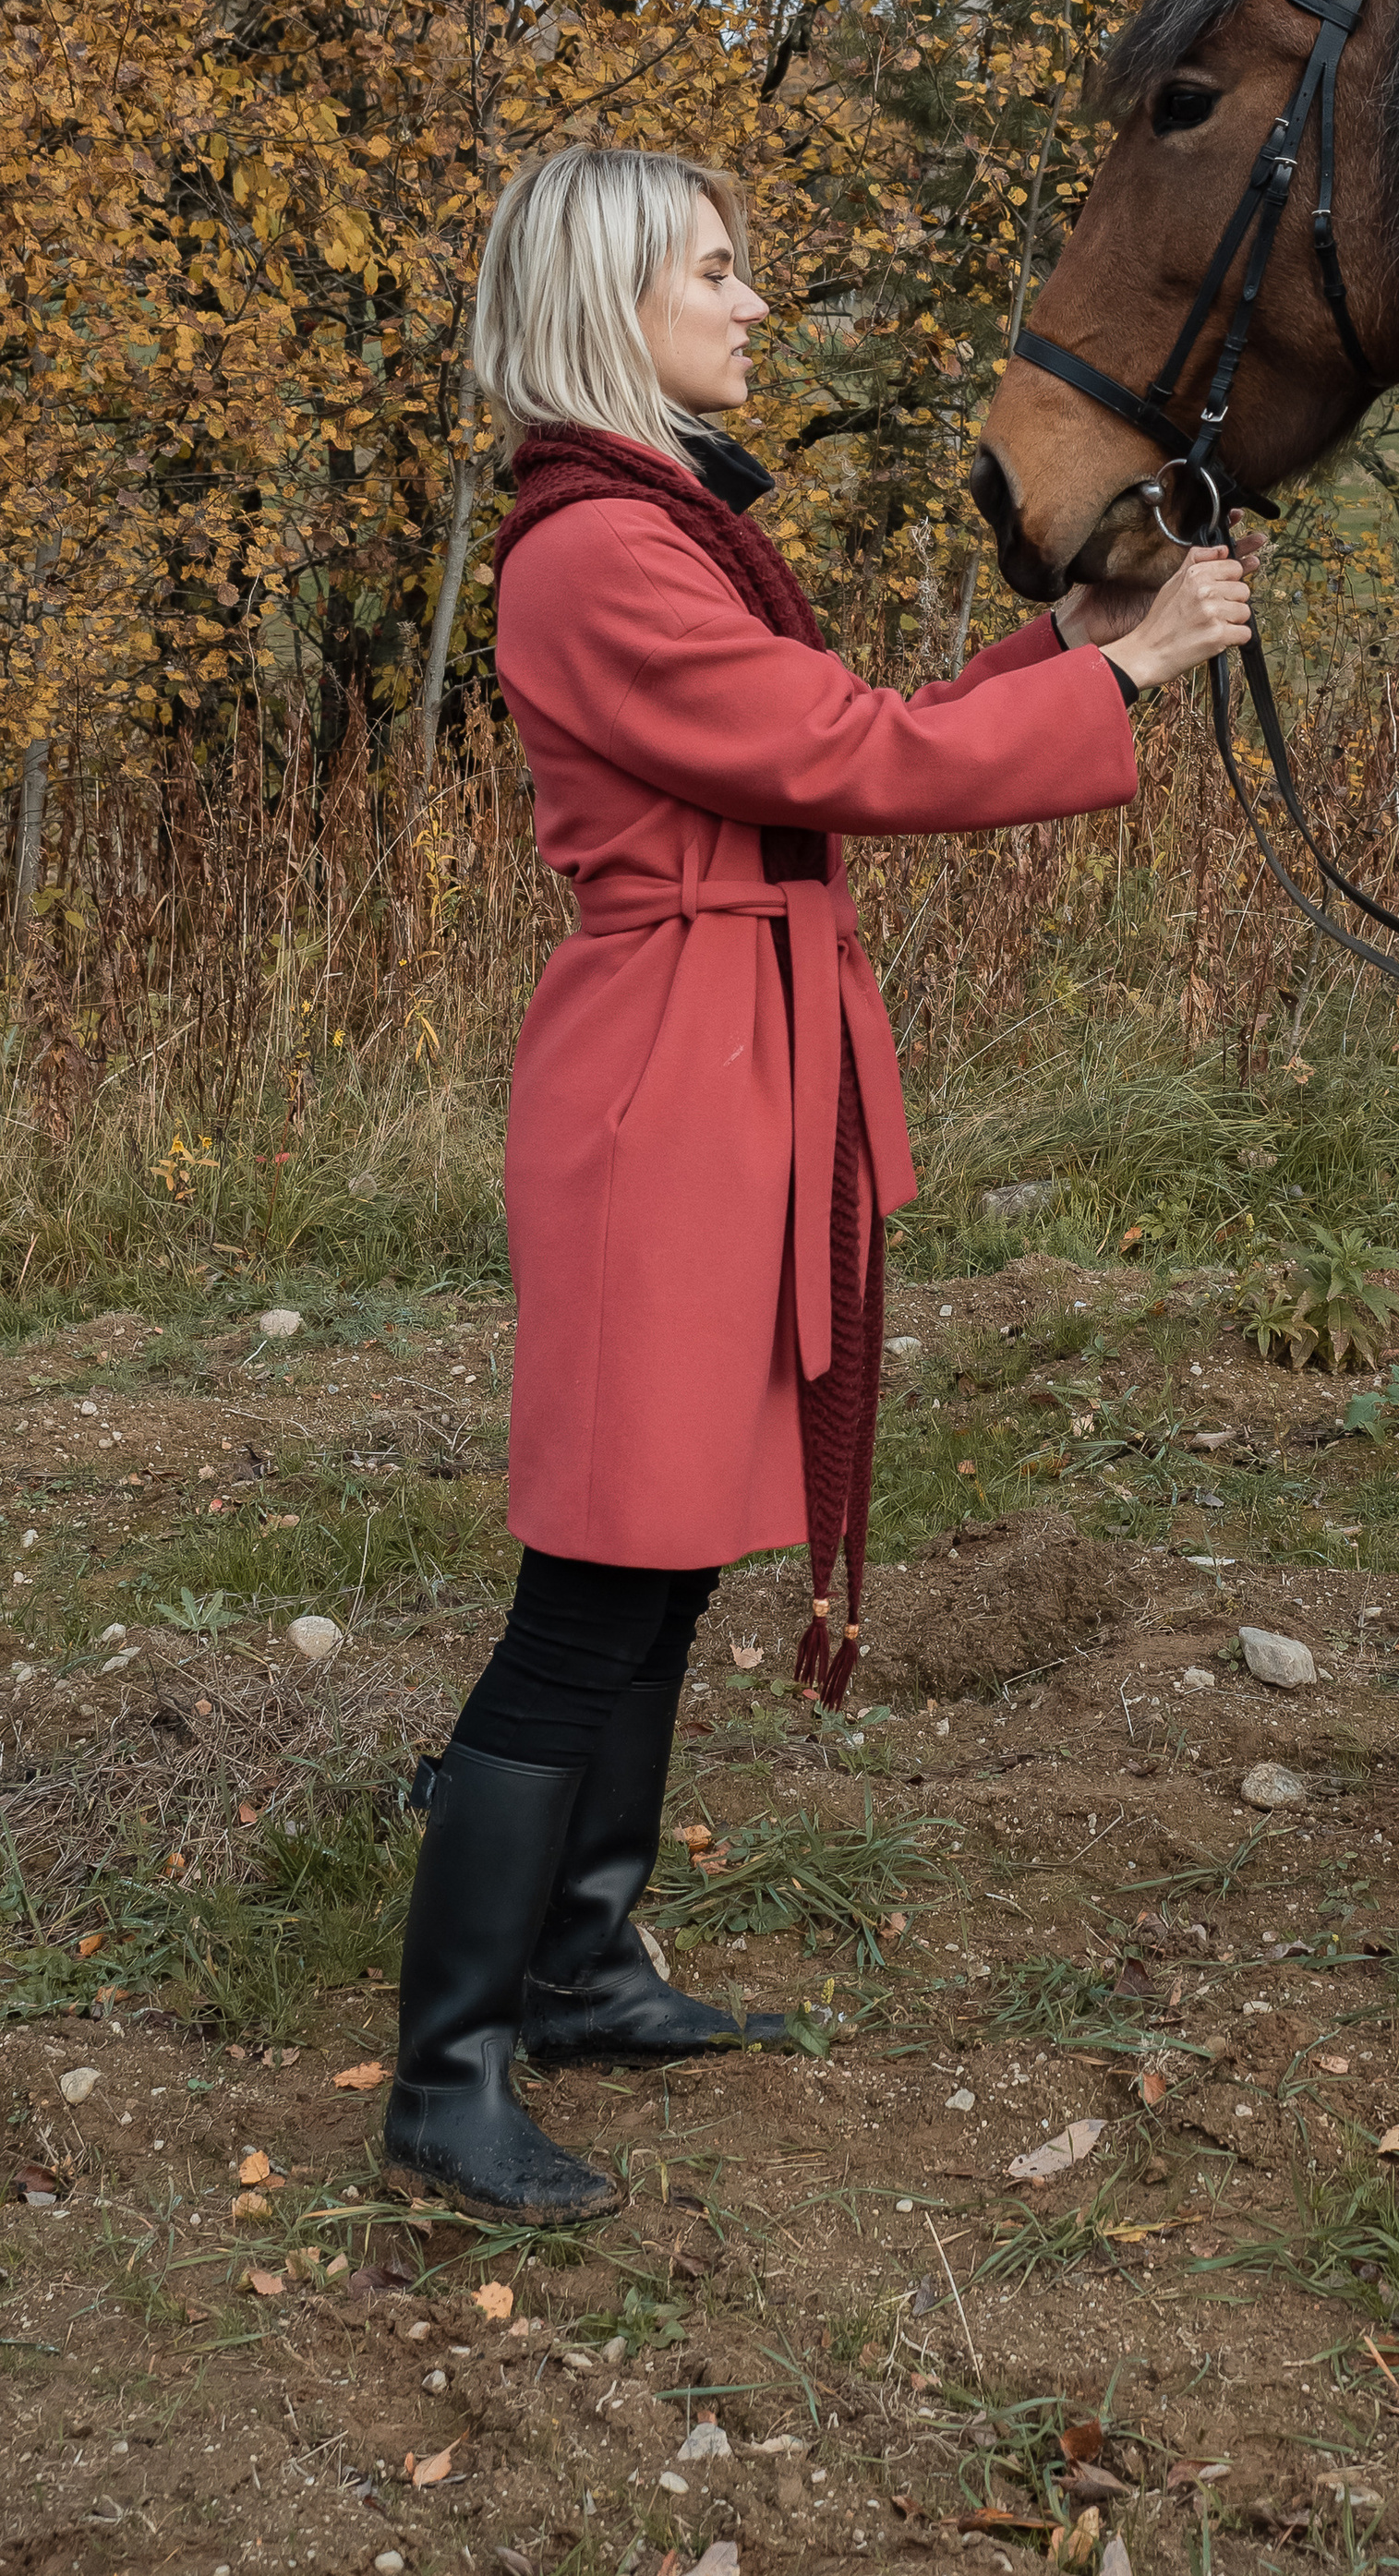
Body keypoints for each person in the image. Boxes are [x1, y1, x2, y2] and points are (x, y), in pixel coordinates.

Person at [383, 145, 1251, 2221]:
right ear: (615, 308)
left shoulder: (656, 531)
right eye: (714, 270)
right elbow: (839, 759)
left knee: (668, 1550)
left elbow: (828, 730)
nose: (751, 303)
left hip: (728, 1070)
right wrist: (1121, 678)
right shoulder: (592, 552)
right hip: (665, 1099)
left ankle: (581, 1961)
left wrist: (1063, 643)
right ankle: (445, 2077)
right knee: (594, 1581)